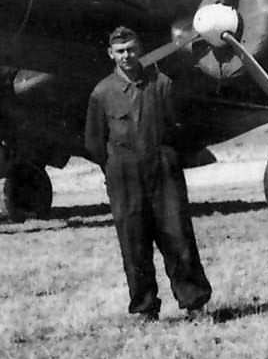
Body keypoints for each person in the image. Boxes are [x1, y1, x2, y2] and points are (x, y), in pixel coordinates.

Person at [84, 26, 212, 322]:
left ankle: (195, 303)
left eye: (131, 49)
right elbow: (94, 142)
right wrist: (116, 168)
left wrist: (166, 158)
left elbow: (181, 128)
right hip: (124, 178)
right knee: (134, 244)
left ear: (139, 49)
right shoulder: (102, 93)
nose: (126, 55)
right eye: (120, 51)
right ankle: (144, 308)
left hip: (163, 173)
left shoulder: (162, 84)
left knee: (178, 239)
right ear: (111, 55)